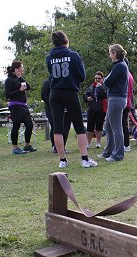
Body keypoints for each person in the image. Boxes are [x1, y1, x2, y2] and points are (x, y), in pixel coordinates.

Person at [46, 30, 97, 168]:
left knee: (57, 128)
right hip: (69, 92)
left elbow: (51, 74)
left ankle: (62, 160)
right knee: (79, 126)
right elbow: (82, 76)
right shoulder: (73, 55)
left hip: (55, 93)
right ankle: (84, 159)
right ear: (66, 41)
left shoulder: (49, 57)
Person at [97, 44, 129, 162]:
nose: (109, 55)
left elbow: (108, 82)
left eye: (110, 53)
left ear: (114, 53)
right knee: (108, 127)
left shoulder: (119, 66)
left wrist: (104, 82)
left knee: (116, 128)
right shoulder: (119, 65)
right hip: (115, 98)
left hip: (116, 99)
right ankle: (108, 152)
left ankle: (118, 154)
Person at [4, 61, 37, 154]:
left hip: (24, 106)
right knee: (16, 125)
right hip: (15, 106)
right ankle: (15, 148)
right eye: (21, 67)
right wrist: (20, 90)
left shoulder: (20, 78)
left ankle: (27, 146)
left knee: (29, 125)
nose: (23, 69)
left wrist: (21, 78)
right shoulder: (9, 80)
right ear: (16, 69)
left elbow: (29, 87)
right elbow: (7, 95)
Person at [41, 76, 71, 153]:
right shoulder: (47, 83)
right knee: (55, 125)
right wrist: (53, 102)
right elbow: (43, 96)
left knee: (65, 126)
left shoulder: (62, 81)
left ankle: (62, 146)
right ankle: (55, 146)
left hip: (63, 107)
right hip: (50, 107)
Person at [83, 71, 108, 149]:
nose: (97, 80)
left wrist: (99, 87)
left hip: (101, 110)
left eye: (99, 78)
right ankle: (88, 143)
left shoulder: (104, 86)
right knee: (89, 127)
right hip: (92, 109)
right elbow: (85, 95)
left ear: (102, 79)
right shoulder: (91, 86)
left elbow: (105, 95)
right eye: (96, 78)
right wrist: (87, 98)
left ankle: (98, 142)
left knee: (99, 127)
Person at [122, 58, 134, 152]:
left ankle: (125, 144)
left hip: (123, 102)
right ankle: (125, 144)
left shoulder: (126, 75)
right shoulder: (130, 75)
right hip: (128, 102)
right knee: (124, 125)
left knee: (122, 125)